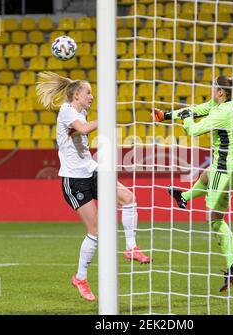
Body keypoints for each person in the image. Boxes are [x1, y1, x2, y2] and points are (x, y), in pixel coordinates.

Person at [36, 71, 151, 302]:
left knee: (129, 198)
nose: (91, 96)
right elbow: (85, 129)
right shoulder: (67, 110)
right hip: (74, 179)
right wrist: (107, 118)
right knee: (96, 231)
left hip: (92, 170)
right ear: (76, 94)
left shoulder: (82, 111)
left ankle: (131, 247)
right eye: (88, 92)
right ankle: (80, 277)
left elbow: (82, 129)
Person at [152, 76, 233, 292]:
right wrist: (167, 115)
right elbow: (196, 109)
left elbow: (193, 130)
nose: (211, 91)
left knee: (215, 219)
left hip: (227, 168)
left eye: (213, 88)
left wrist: (186, 120)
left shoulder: (222, 113)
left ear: (220, 93)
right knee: (206, 176)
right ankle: (183, 197)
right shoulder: (228, 103)